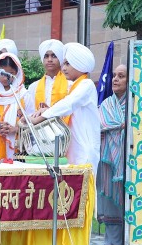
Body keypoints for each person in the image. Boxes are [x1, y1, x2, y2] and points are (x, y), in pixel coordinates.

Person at [26, 43, 100, 173]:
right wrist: (46, 110)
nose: (63, 68)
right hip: (73, 149)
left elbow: (68, 104)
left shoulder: (86, 85)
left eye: (67, 64)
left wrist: (42, 116)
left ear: (79, 64)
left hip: (84, 150)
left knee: (85, 191)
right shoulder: (75, 86)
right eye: (64, 64)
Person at [95, 64, 127, 245]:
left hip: (128, 161)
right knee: (110, 199)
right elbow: (98, 124)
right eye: (114, 75)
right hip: (108, 161)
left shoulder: (135, 104)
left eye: (121, 76)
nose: (115, 79)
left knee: (127, 201)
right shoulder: (107, 104)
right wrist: (119, 126)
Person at [26, 39, 68, 115]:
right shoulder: (33, 87)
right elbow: (30, 114)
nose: (49, 60)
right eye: (46, 56)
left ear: (60, 59)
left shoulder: (69, 84)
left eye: (54, 56)